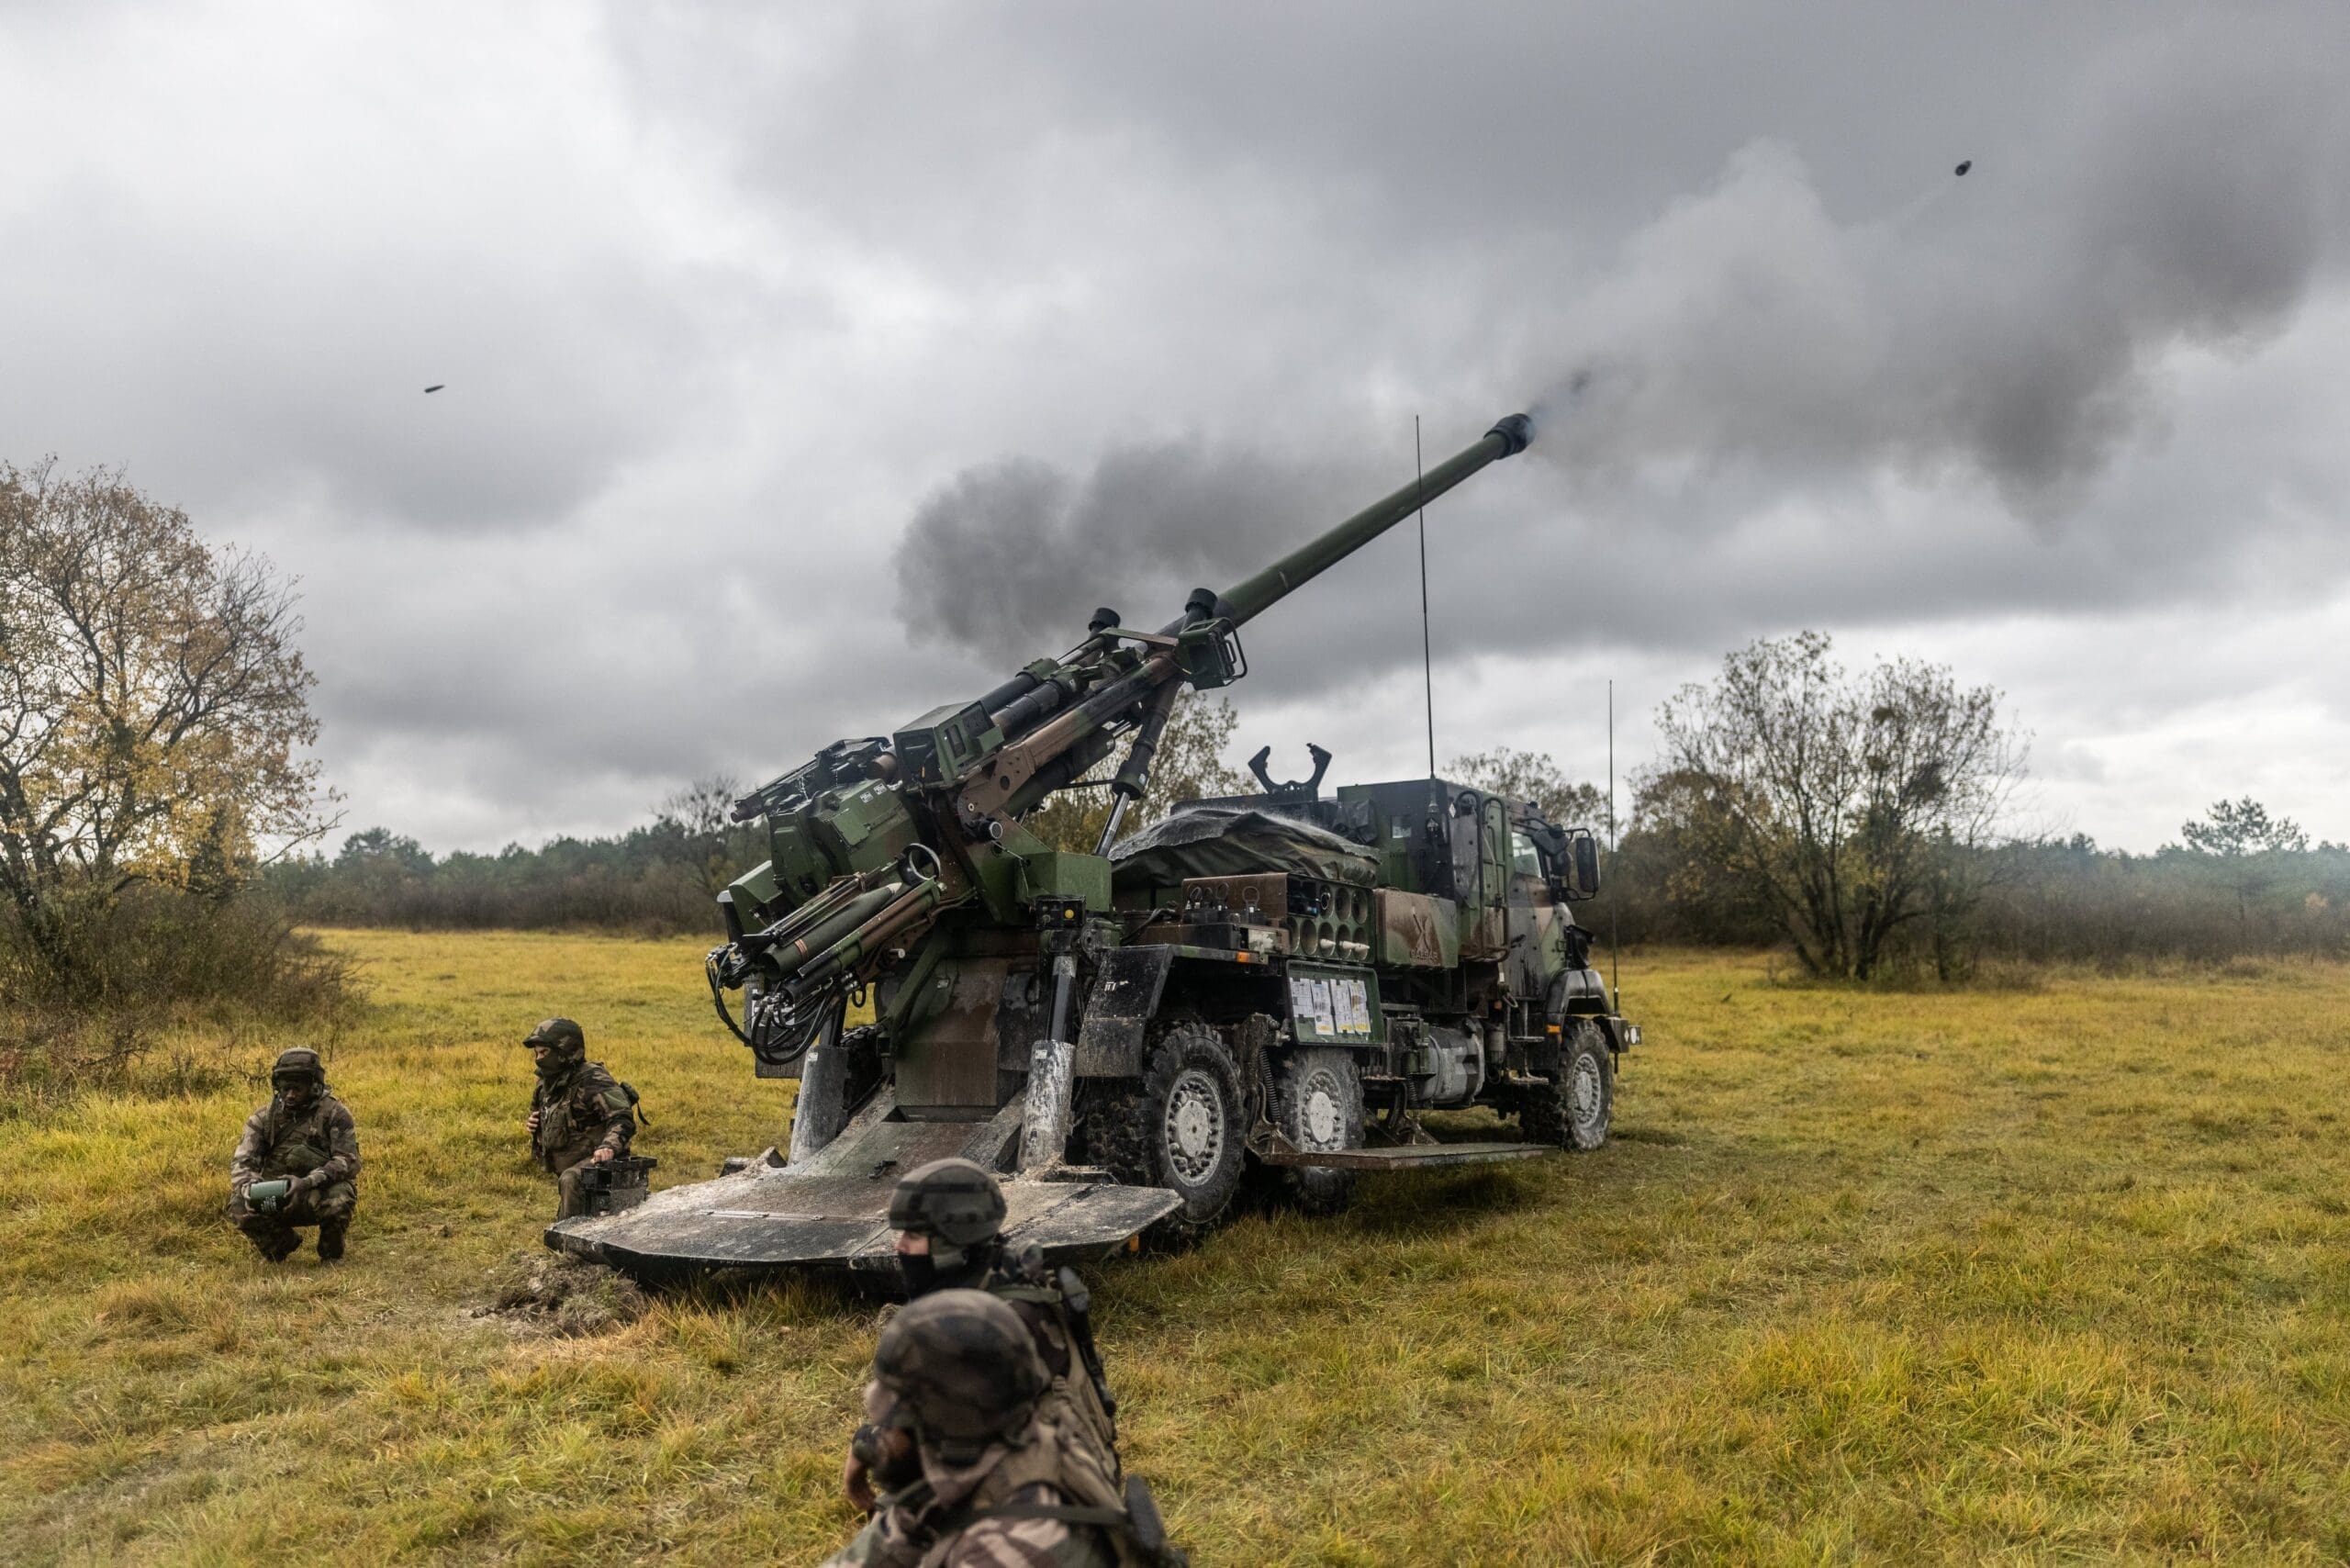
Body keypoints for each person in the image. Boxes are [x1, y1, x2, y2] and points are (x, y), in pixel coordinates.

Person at [821, 1290, 1184, 1568]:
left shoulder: (1009, 1546)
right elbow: (897, 1537)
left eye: (893, 1421)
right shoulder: (990, 1451)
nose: (880, 1434)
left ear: (943, 1428)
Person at [846, 1158, 1120, 1512]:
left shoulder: (980, 1328)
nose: (900, 1246)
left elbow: (904, 1454)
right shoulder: (1015, 1277)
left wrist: (863, 1447)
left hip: (1047, 1503)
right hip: (1078, 1469)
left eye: (912, 1236)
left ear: (951, 1247)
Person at [229, 1047, 360, 1262]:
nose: (290, 1095)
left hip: (315, 1192)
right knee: (239, 1204)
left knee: (339, 1198)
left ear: (314, 1086)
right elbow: (242, 1162)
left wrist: (308, 1182)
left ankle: (330, 1254)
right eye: (285, 1088)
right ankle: (280, 1246)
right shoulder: (263, 1118)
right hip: (276, 1194)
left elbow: (348, 1161)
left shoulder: (335, 1113)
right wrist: (248, 1187)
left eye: (297, 1089)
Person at [521, 1017, 637, 1220]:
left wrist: (608, 1147)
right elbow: (540, 1112)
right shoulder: (546, 1083)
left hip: (603, 1163)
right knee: (570, 1185)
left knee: (571, 1180)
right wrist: (534, 1124)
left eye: (544, 1053)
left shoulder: (593, 1079)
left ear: (564, 1051)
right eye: (536, 1053)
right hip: (571, 1166)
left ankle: (570, 1239)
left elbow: (622, 1118)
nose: (538, 1059)